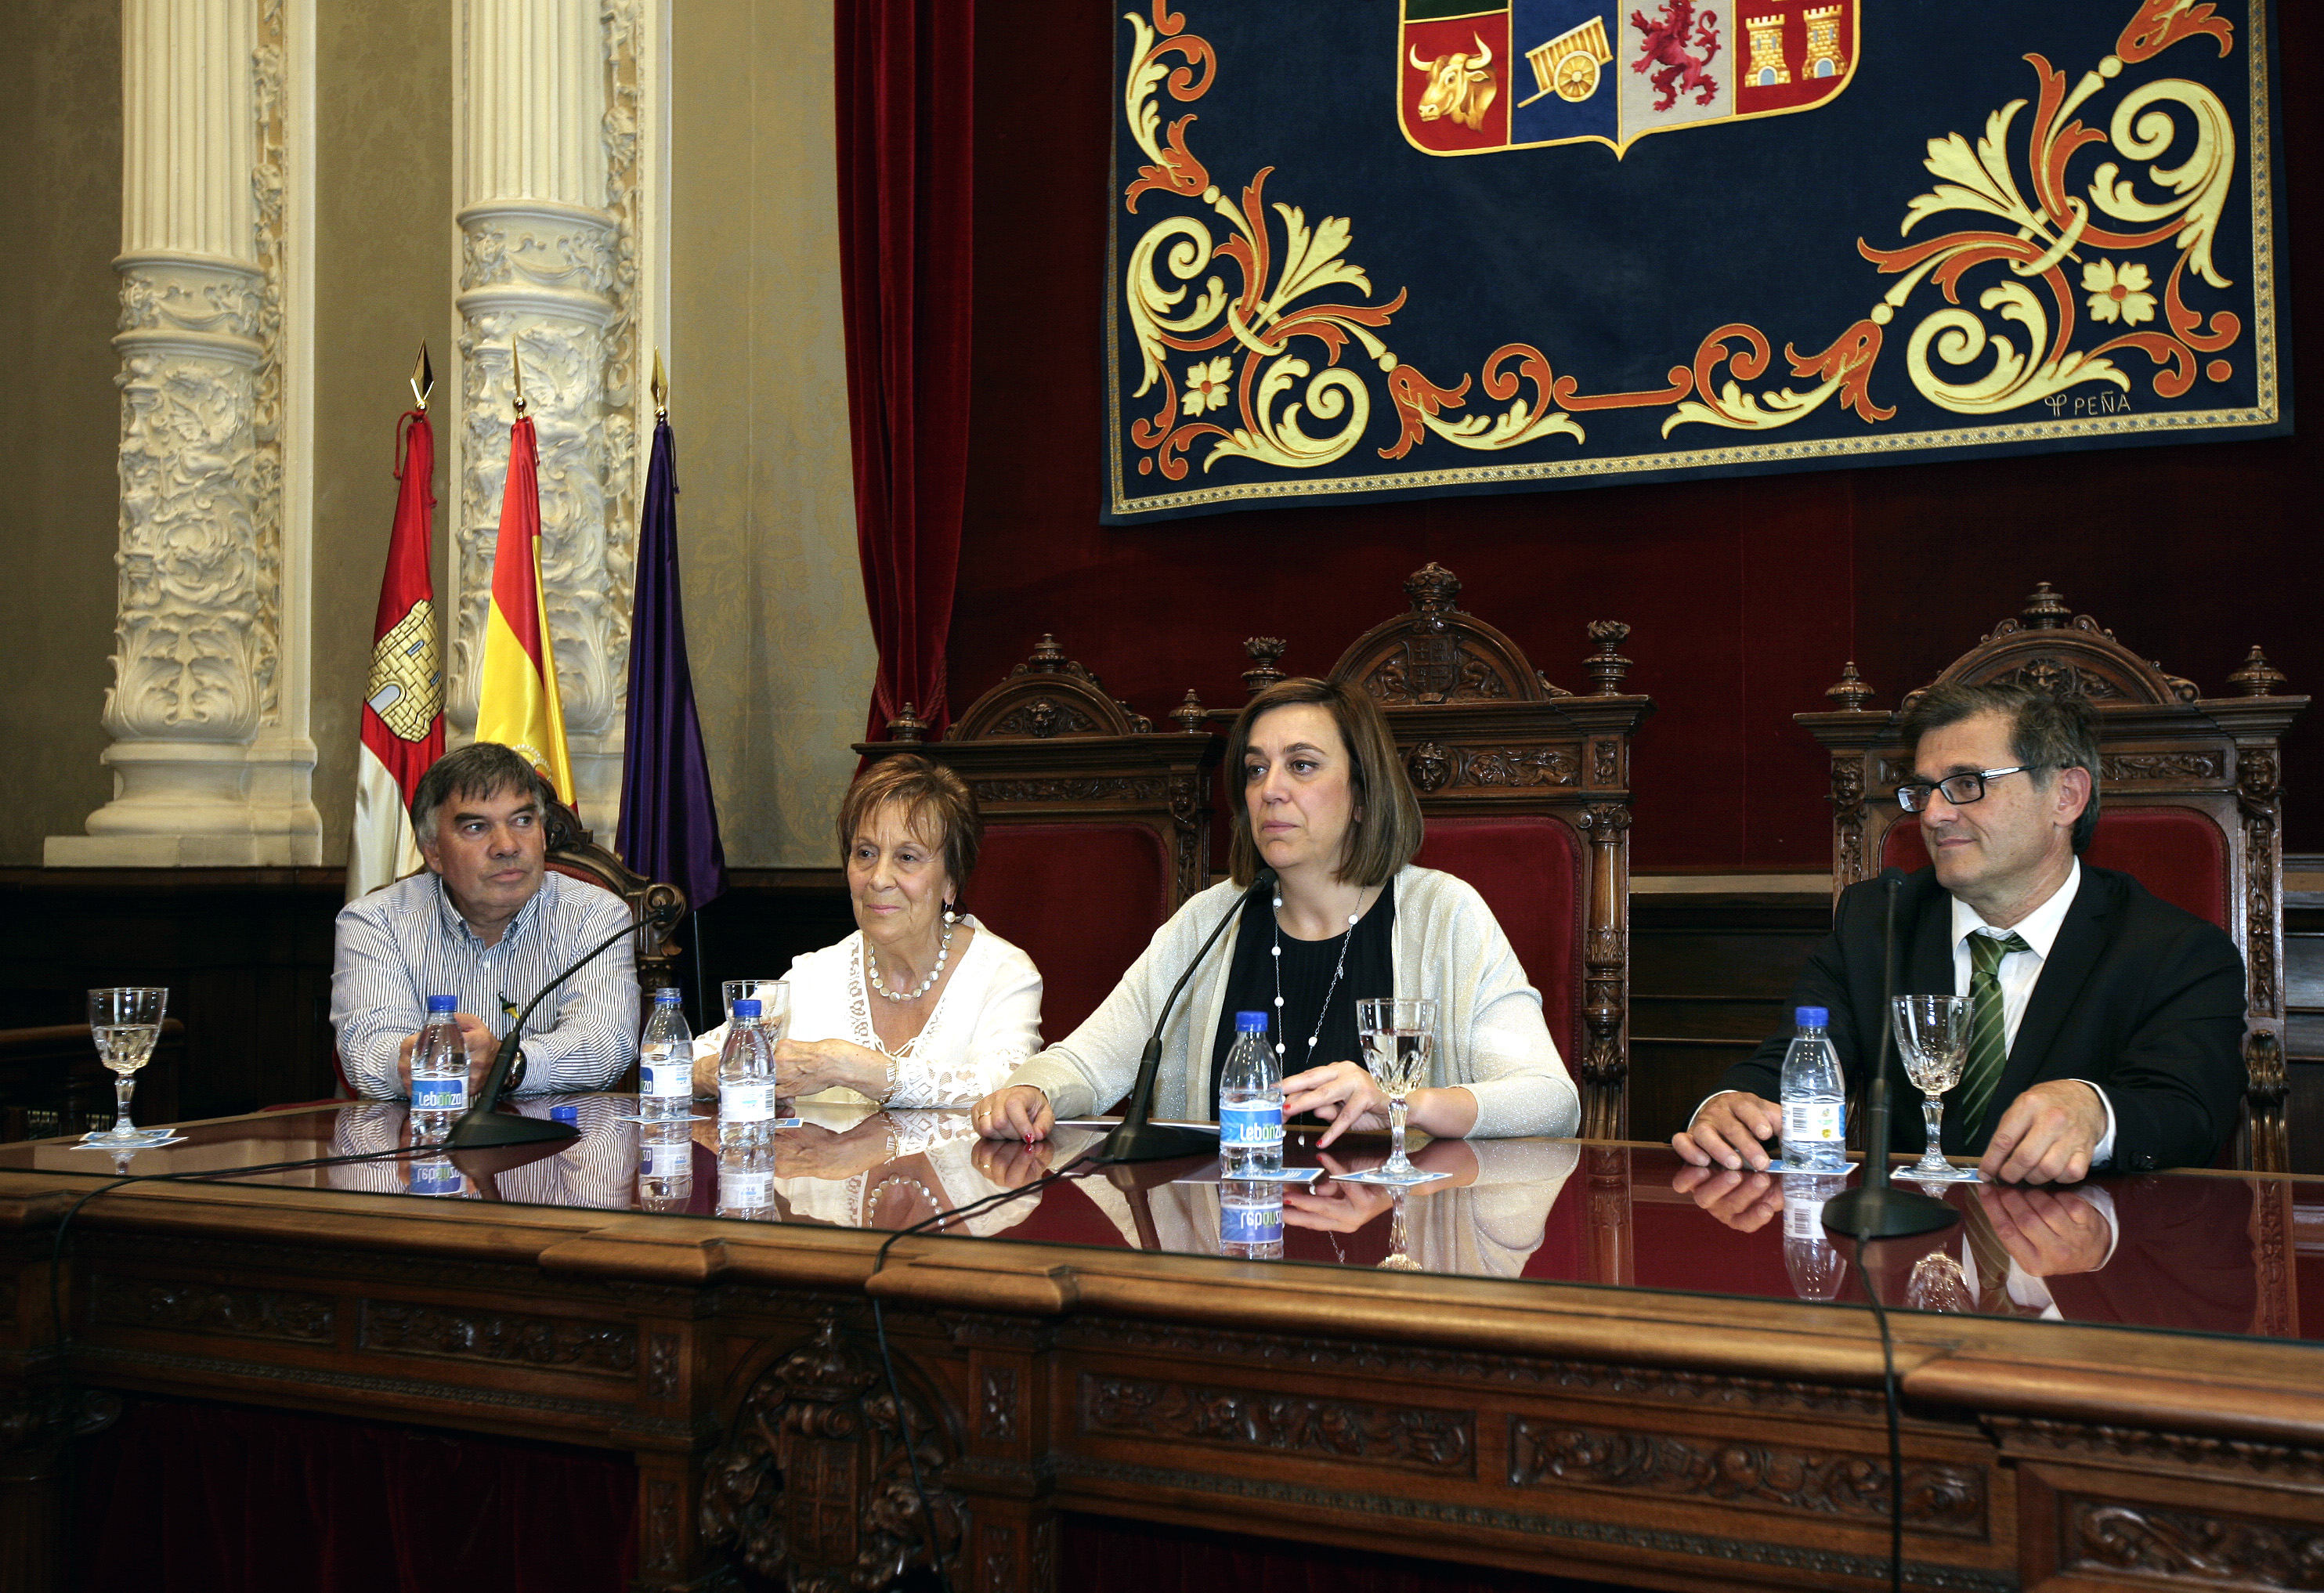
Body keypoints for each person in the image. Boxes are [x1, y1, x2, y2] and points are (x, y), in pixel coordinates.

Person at [1674, 681, 2246, 1184]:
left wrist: (2096, 1113)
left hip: (2083, 1253)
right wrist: (1729, 1107)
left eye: (1966, 784)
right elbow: (1794, 1062)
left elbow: (2191, 1111)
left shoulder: (2173, 950)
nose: (1932, 815)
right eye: (1924, 790)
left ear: (2065, 796)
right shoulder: (1877, 922)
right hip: (1908, 1248)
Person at [970, 677, 1579, 1143]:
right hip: (1229, 1235)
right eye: (1256, 769)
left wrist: (1403, 1105)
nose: (1270, 790)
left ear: (1363, 794)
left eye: (1302, 765)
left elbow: (1549, 1100)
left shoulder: (1443, 915)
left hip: (1394, 1247)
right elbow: (1087, 1062)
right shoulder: (1210, 920)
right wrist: (1032, 1089)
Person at [692, 754, 1044, 1107]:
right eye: (865, 853)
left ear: (951, 881)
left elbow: (1007, 1087)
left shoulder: (1004, 974)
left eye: (907, 857)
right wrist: (720, 1074)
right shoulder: (813, 976)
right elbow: (687, 1062)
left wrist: (845, 1066)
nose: (878, 879)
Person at [331, 743, 640, 1100]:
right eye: (476, 827)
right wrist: (416, 1063)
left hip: (555, 1133)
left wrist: (507, 1064)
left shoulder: (594, 913)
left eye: (523, 821)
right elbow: (366, 1051)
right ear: (433, 851)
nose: (507, 846)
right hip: (426, 1128)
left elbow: (606, 1045)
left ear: (543, 834)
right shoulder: (376, 920)